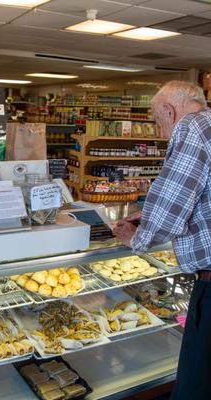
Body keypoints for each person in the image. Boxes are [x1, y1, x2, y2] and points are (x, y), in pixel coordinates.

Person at [113, 80, 211, 400]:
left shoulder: (190, 128)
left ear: (169, 111)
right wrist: (150, 214)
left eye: (157, 120)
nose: (159, 131)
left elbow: (173, 203)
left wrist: (137, 237)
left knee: (196, 386)